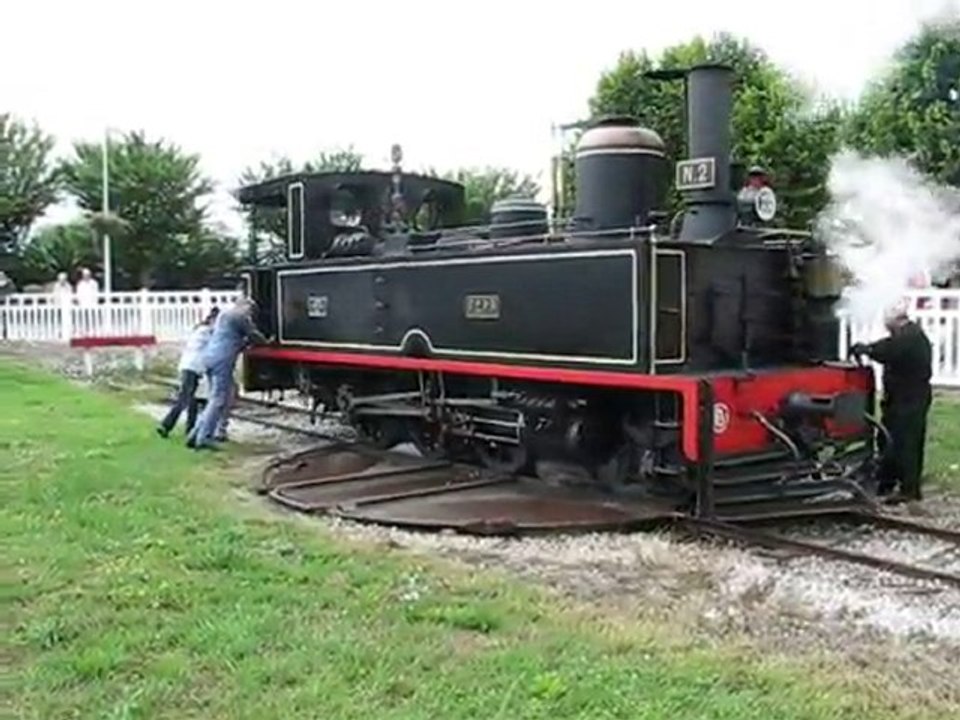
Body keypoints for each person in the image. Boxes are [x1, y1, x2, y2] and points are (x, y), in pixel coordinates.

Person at [851, 305, 933, 502]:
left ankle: (909, 488)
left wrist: (868, 350)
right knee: (889, 438)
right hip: (899, 397)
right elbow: (888, 345)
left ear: (896, 320)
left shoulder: (910, 338)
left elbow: (889, 350)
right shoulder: (906, 335)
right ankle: (887, 481)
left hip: (910, 397)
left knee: (907, 441)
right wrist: (869, 347)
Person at [186, 297, 270, 451]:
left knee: (215, 398)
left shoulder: (224, 315)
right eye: (251, 310)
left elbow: (232, 339)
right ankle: (204, 438)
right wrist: (268, 341)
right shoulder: (239, 316)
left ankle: (194, 434)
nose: (251, 314)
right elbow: (253, 335)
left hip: (210, 357)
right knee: (218, 400)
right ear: (244, 306)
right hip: (222, 360)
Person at [156, 307, 220, 438]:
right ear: (213, 320)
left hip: (191, 367)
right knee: (184, 399)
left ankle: (190, 429)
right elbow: (216, 343)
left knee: (193, 401)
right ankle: (166, 425)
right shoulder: (206, 332)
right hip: (192, 367)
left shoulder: (200, 330)